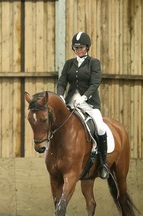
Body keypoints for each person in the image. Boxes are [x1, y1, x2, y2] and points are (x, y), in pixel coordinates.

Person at [57, 32, 109, 179]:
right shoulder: (69, 64)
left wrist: (84, 97)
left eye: (81, 47)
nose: (78, 50)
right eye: (76, 48)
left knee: (99, 127)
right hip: (70, 102)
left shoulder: (94, 63)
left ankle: (104, 163)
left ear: (87, 48)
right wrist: (61, 96)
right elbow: (62, 82)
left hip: (89, 103)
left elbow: (95, 83)